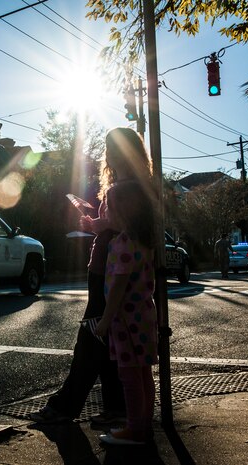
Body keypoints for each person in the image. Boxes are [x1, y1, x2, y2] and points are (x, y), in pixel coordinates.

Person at [30, 127, 152, 425]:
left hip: (112, 267)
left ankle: (65, 406)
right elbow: (114, 223)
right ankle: (117, 407)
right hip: (105, 265)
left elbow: (119, 225)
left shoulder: (126, 187)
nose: (109, 155)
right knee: (108, 338)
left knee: (92, 333)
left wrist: (94, 225)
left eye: (113, 148)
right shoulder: (135, 183)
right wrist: (96, 222)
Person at [96, 180, 158, 446]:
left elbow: (119, 288)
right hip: (144, 315)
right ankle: (144, 424)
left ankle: (134, 429)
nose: (104, 212)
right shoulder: (143, 241)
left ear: (122, 211)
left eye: (108, 206)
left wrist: (105, 321)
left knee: (129, 376)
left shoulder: (121, 244)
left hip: (126, 321)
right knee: (143, 374)